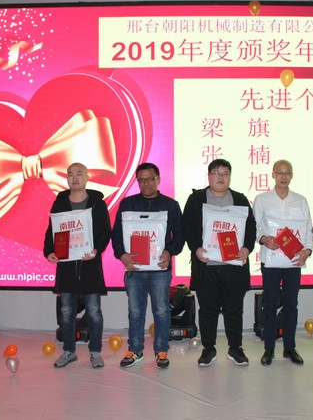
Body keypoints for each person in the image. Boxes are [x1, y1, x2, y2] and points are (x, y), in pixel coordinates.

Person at [182, 158, 256, 367]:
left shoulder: (240, 199)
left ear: (230, 177)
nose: (221, 177)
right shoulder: (196, 199)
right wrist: (196, 248)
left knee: (234, 310)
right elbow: (187, 226)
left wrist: (246, 248)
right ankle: (209, 349)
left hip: (234, 267)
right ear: (209, 176)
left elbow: (251, 228)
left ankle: (235, 348)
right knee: (208, 311)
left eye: (225, 173)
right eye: (216, 173)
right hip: (207, 266)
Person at [112, 163, 184, 369]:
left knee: (161, 310)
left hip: (160, 269)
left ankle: (161, 350)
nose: (146, 184)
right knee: (135, 311)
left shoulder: (171, 205)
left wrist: (169, 251)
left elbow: (180, 236)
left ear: (158, 179)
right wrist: (122, 255)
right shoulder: (127, 204)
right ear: (137, 182)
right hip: (134, 269)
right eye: (142, 180)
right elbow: (116, 235)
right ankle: (135, 350)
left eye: (150, 179)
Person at [43, 162, 112, 369]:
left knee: (94, 311)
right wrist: (49, 251)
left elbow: (105, 232)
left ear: (87, 177)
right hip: (66, 267)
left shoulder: (97, 203)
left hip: (90, 265)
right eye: (70, 174)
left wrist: (97, 250)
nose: (74, 178)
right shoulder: (59, 203)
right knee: (66, 311)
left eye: (79, 174)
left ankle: (95, 352)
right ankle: (68, 351)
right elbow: (51, 231)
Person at [253, 159, 313, 366]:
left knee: (291, 305)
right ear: (273, 174)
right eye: (280, 172)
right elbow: (255, 227)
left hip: (293, 262)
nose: (283, 176)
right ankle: (269, 348)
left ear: (292, 175)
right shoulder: (262, 199)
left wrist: (307, 251)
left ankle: (289, 348)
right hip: (271, 261)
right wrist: (263, 239)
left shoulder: (300, 200)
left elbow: (308, 229)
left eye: (287, 172)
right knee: (269, 305)